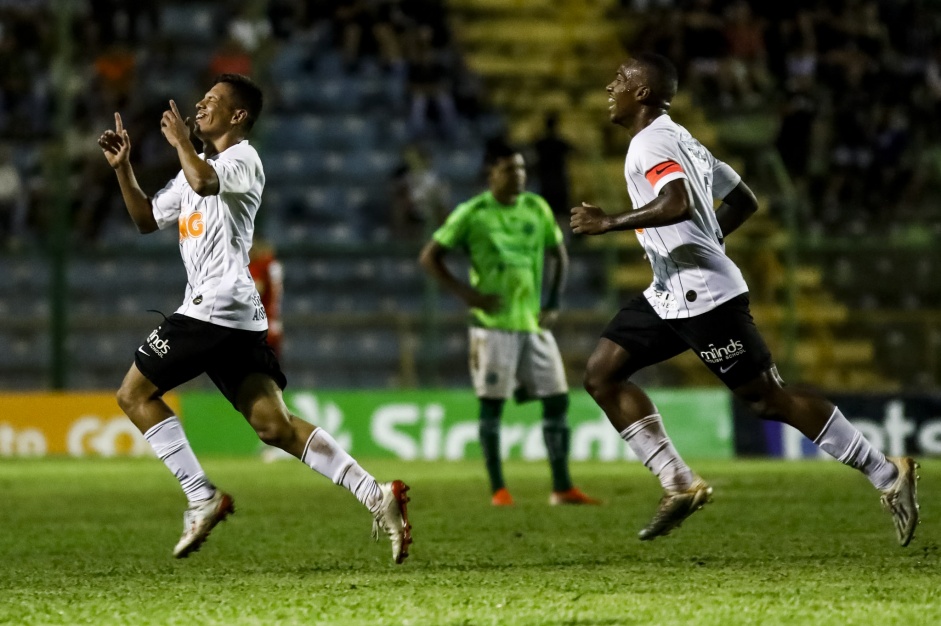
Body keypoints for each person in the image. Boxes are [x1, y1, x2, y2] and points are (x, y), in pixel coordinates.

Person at [570, 53, 920, 545]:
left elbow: (676, 203)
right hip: (671, 291)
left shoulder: (649, 144)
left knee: (767, 401)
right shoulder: (683, 139)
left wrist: (608, 221)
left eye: (621, 79)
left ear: (643, 93)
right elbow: (744, 200)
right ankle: (679, 484)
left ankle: (886, 473)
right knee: (601, 374)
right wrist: (711, 243)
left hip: (706, 298)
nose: (610, 85)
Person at [97, 74, 412, 563]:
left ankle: (201, 496)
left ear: (237, 116)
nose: (199, 106)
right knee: (274, 427)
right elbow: (143, 219)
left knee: (132, 394)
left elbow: (204, 181)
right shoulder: (191, 169)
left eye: (212, 102)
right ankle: (377, 494)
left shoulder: (242, 159)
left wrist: (181, 142)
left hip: (212, 307)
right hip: (235, 316)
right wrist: (123, 169)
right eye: (200, 100)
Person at [419, 139, 600, 507]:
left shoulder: (536, 207)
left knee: (557, 399)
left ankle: (562, 487)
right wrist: (467, 295)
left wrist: (552, 301)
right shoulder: (472, 213)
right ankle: (498, 489)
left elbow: (559, 254)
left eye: (521, 169)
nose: (519, 176)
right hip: (492, 326)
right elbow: (430, 257)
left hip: (532, 324)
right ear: (491, 173)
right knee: (492, 405)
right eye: (509, 169)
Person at [248, 237, 284, 359]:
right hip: (274, 326)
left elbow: (255, 292)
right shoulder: (274, 265)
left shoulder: (261, 266)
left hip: (259, 328)